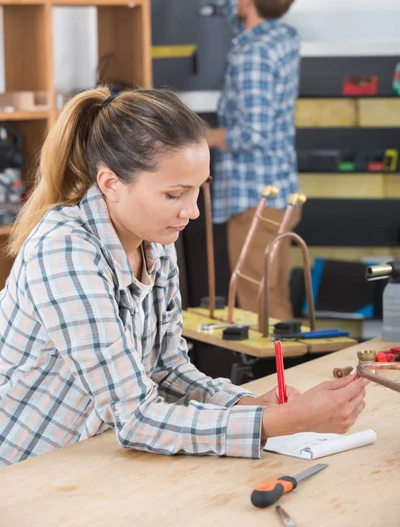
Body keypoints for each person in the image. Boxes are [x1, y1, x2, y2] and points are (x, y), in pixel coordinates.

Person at [0, 87, 366, 465]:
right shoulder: (64, 251)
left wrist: (248, 404)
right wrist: (282, 420)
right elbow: (136, 417)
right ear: (111, 184)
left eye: (197, 191)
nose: (191, 212)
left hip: (87, 457)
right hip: (24, 469)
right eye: (175, 194)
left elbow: (166, 370)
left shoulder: (154, 242)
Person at [169, 0, 301, 320]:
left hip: (253, 201)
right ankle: (286, 372)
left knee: (258, 300)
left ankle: (276, 376)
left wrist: (199, 135)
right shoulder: (282, 36)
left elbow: (253, 134)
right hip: (278, 193)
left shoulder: (252, 55)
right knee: (270, 293)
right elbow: (232, 2)